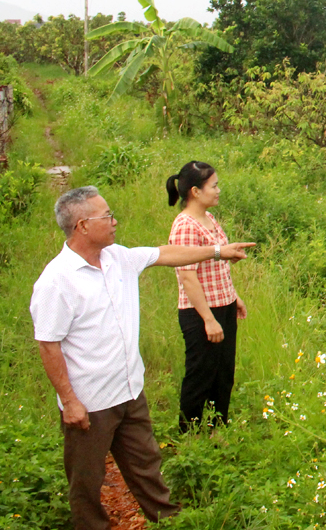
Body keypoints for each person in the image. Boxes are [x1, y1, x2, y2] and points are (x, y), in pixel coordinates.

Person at [30, 186, 254, 529]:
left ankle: (168, 520)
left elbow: (165, 253)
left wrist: (218, 251)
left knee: (147, 464)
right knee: (86, 480)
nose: (115, 221)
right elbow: (49, 345)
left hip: (130, 389)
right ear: (82, 227)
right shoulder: (56, 282)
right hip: (90, 402)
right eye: (106, 216)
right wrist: (69, 401)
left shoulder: (118, 257)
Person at [165, 161, 246, 432]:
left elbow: (216, 264)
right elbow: (187, 276)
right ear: (196, 192)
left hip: (223, 304)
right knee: (201, 376)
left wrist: (234, 297)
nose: (218, 190)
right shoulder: (185, 225)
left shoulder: (208, 217)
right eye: (214, 186)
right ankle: (189, 437)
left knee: (223, 375)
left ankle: (217, 430)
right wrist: (209, 320)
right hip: (201, 312)